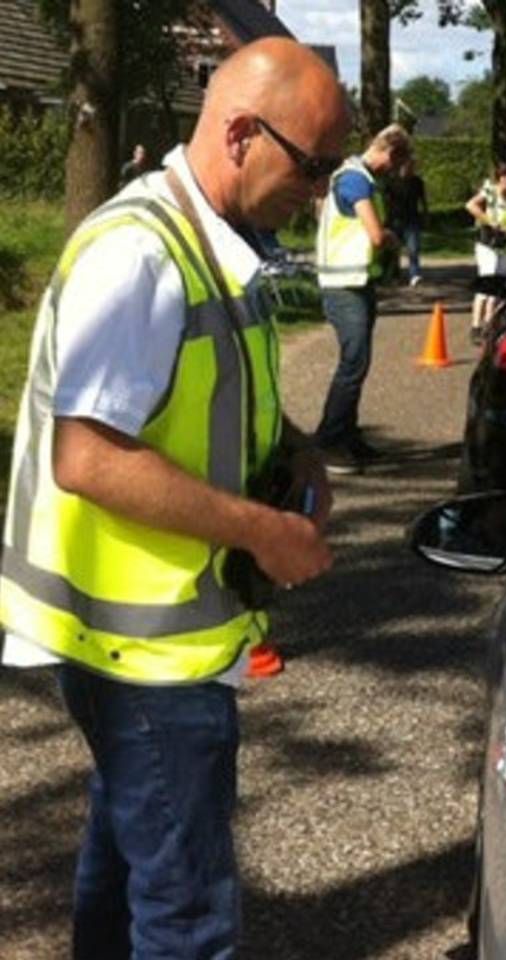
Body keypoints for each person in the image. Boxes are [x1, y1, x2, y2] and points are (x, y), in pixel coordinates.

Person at [0, 37, 344, 958]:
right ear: (240, 134)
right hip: (141, 652)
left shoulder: (214, 244)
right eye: (313, 167)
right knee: (188, 915)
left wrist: (299, 453)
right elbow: (89, 456)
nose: (320, 193)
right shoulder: (140, 257)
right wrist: (265, 531)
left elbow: (215, 401)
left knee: (125, 857)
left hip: (151, 642)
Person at [313, 123, 410, 474]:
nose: (392, 171)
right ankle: (328, 442)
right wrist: (393, 238)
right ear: (389, 152)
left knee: (358, 362)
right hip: (343, 285)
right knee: (353, 362)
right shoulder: (355, 179)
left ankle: (349, 437)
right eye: (394, 164)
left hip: (355, 282)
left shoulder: (358, 177)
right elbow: (374, 234)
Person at [465, 161, 506, 341]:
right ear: (499, 177)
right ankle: (476, 326)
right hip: (487, 244)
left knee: (497, 289)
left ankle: (490, 326)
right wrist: (490, 221)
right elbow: (470, 206)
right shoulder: (490, 191)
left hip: (504, 246)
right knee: (486, 286)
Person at [386, 155, 428, 286]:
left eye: (412, 166)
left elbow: (423, 200)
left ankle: (414, 274)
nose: (410, 168)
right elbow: (386, 200)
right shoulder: (391, 181)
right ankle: (395, 275)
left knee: (413, 249)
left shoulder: (417, 182)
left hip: (412, 219)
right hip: (395, 219)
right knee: (394, 250)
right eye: (407, 166)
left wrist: (426, 214)